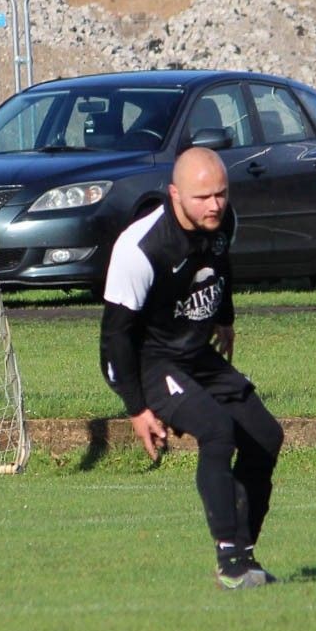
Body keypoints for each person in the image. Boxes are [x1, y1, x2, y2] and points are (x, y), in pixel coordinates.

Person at [100, 146, 284, 590]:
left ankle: (244, 554)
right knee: (218, 431)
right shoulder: (141, 247)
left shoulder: (223, 221)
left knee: (265, 436)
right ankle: (230, 559)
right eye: (203, 197)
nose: (215, 205)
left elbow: (219, 266)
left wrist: (225, 317)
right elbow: (114, 337)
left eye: (221, 193)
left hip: (196, 354)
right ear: (174, 193)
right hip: (151, 362)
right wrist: (136, 408)